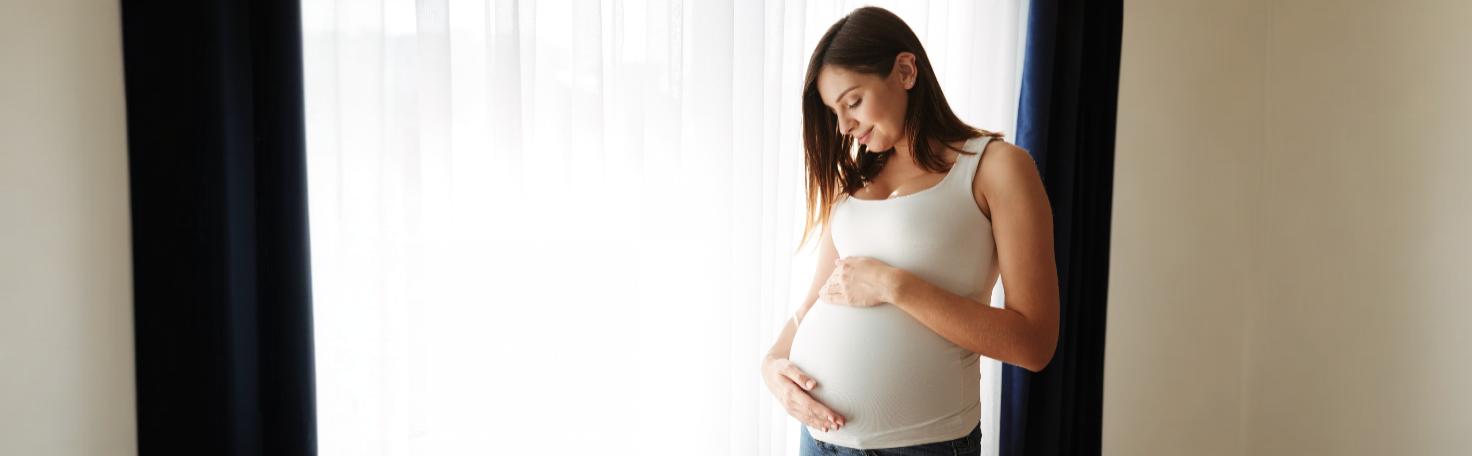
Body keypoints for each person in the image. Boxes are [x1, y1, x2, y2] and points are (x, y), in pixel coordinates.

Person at [759, 6, 1060, 455]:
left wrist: (894, 285)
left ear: (905, 70)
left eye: (853, 102)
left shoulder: (995, 168)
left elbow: (1034, 343)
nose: (844, 127)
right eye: (834, 112)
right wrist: (772, 367)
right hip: (818, 442)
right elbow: (813, 302)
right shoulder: (853, 182)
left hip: (922, 446)